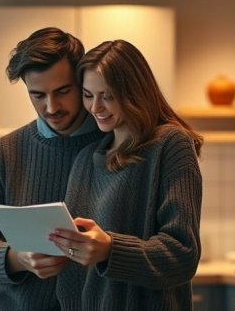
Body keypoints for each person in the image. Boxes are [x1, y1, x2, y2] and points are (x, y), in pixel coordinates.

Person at [49, 39, 203, 311]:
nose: (95, 107)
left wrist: (110, 249)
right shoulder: (85, 159)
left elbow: (183, 255)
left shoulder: (170, 144)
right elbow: (75, 274)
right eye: (87, 95)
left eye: (106, 96)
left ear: (135, 93)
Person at [0, 27, 105, 311]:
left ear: (82, 82)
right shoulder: (5, 152)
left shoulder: (116, 144)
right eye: (37, 95)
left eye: (63, 91)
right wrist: (18, 258)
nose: (51, 107)